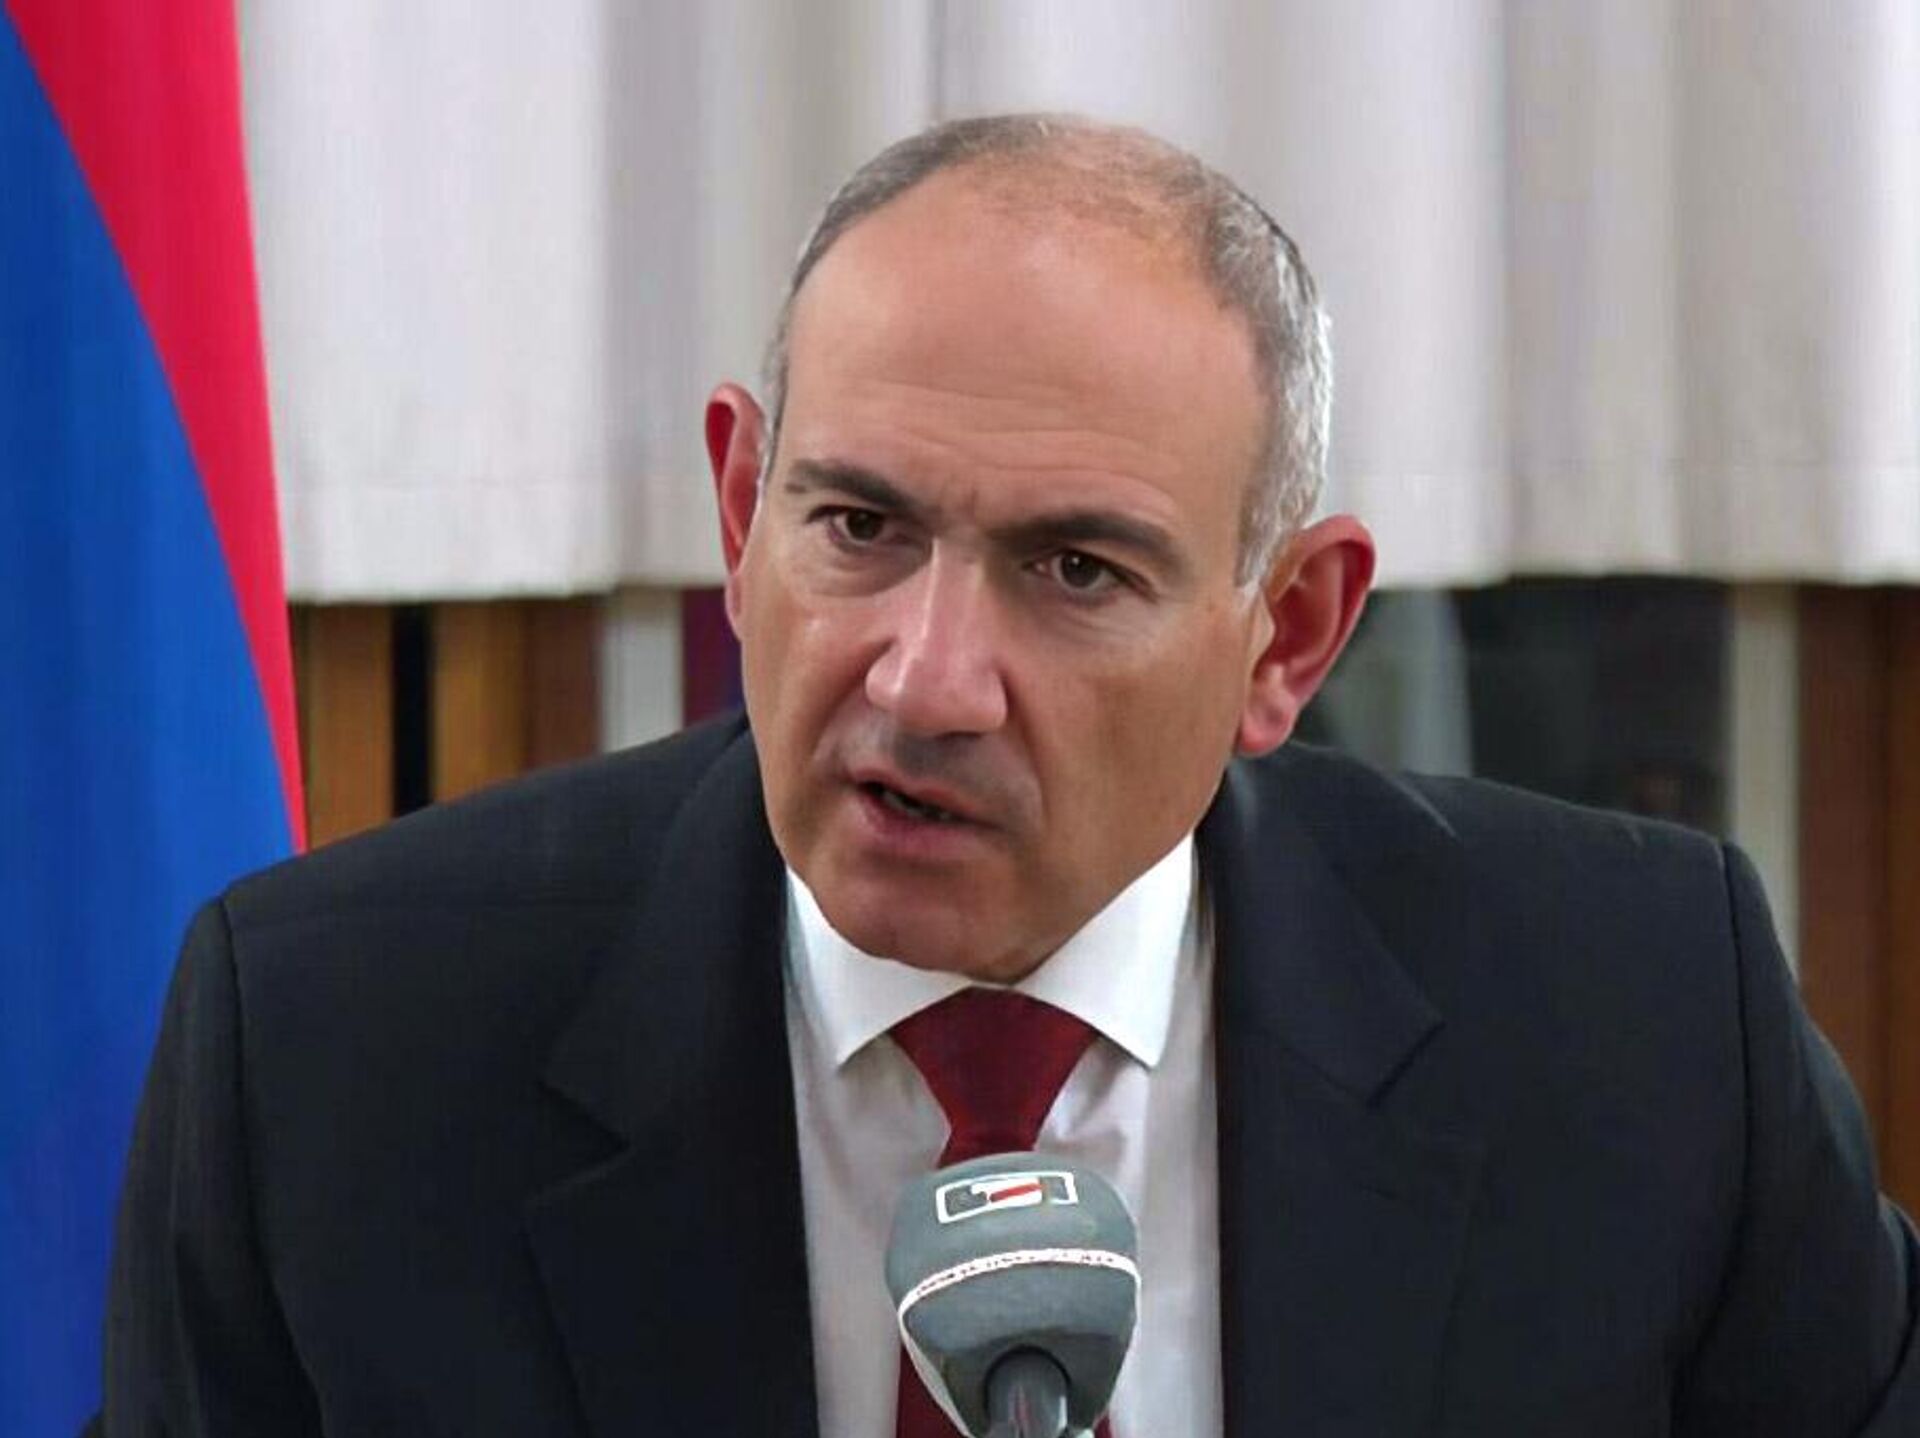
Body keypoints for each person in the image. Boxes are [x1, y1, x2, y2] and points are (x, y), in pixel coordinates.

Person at [101, 115, 1918, 1436]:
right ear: (740, 509)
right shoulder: (341, 1053)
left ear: (1285, 635)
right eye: (859, 526)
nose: (925, 678)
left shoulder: (1635, 1023)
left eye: (1075, 570)